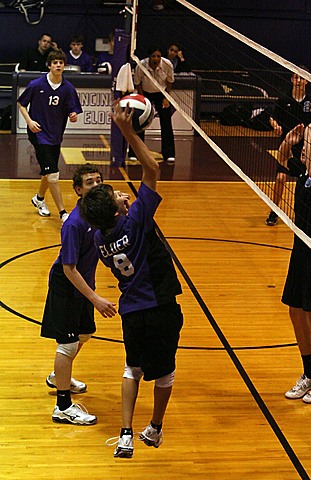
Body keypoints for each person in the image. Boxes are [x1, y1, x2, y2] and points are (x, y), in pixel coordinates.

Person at [80, 102, 183, 457]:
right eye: (113, 194)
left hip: (132, 311)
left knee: (132, 369)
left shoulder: (98, 237)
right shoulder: (135, 220)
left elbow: (110, 214)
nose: (118, 192)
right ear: (117, 209)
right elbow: (152, 167)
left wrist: (118, 205)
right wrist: (128, 131)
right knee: (164, 374)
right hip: (160, 306)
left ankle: (125, 434)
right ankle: (154, 428)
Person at [41, 163, 118, 425]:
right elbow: (69, 268)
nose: (96, 186)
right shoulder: (74, 224)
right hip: (66, 285)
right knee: (68, 343)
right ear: (78, 190)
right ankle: (62, 406)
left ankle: (58, 375)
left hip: (84, 284)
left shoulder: (99, 216)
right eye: (89, 183)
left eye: (99, 181)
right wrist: (95, 298)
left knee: (85, 333)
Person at [277, 121, 311, 406]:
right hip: (300, 248)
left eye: (306, 147)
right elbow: (281, 160)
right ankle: (310, 372)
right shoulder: (305, 170)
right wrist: (288, 143)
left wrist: (309, 135)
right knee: (295, 310)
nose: (302, 151)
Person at [17, 49, 82, 223]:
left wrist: (73, 115)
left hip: (55, 135)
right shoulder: (36, 84)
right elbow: (21, 103)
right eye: (55, 62)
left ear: (64, 66)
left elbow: (73, 109)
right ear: (49, 65)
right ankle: (62, 213)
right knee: (53, 173)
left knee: (48, 171)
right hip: (38, 134)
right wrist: (29, 121)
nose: (58, 65)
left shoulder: (68, 88)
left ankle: (39, 198)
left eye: (61, 62)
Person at [265, 67, 311, 226]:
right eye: (296, 78)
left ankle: (306, 214)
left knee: (308, 182)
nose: (299, 81)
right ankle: (274, 211)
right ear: (292, 80)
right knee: (281, 177)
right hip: (286, 145)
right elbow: (272, 117)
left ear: (306, 81)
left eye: (301, 78)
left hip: (306, 148)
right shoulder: (284, 99)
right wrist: (276, 127)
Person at [128, 46, 176, 164]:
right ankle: (135, 153)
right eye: (153, 56)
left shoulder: (167, 64)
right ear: (149, 57)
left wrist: (166, 97)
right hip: (145, 93)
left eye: (158, 56)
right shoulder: (141, 65)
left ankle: (169, 154)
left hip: (161, 93)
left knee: (166, 122)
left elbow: (170, 82)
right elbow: (138, 83)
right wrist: (142, 98)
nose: (156, 59)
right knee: (138, 122)